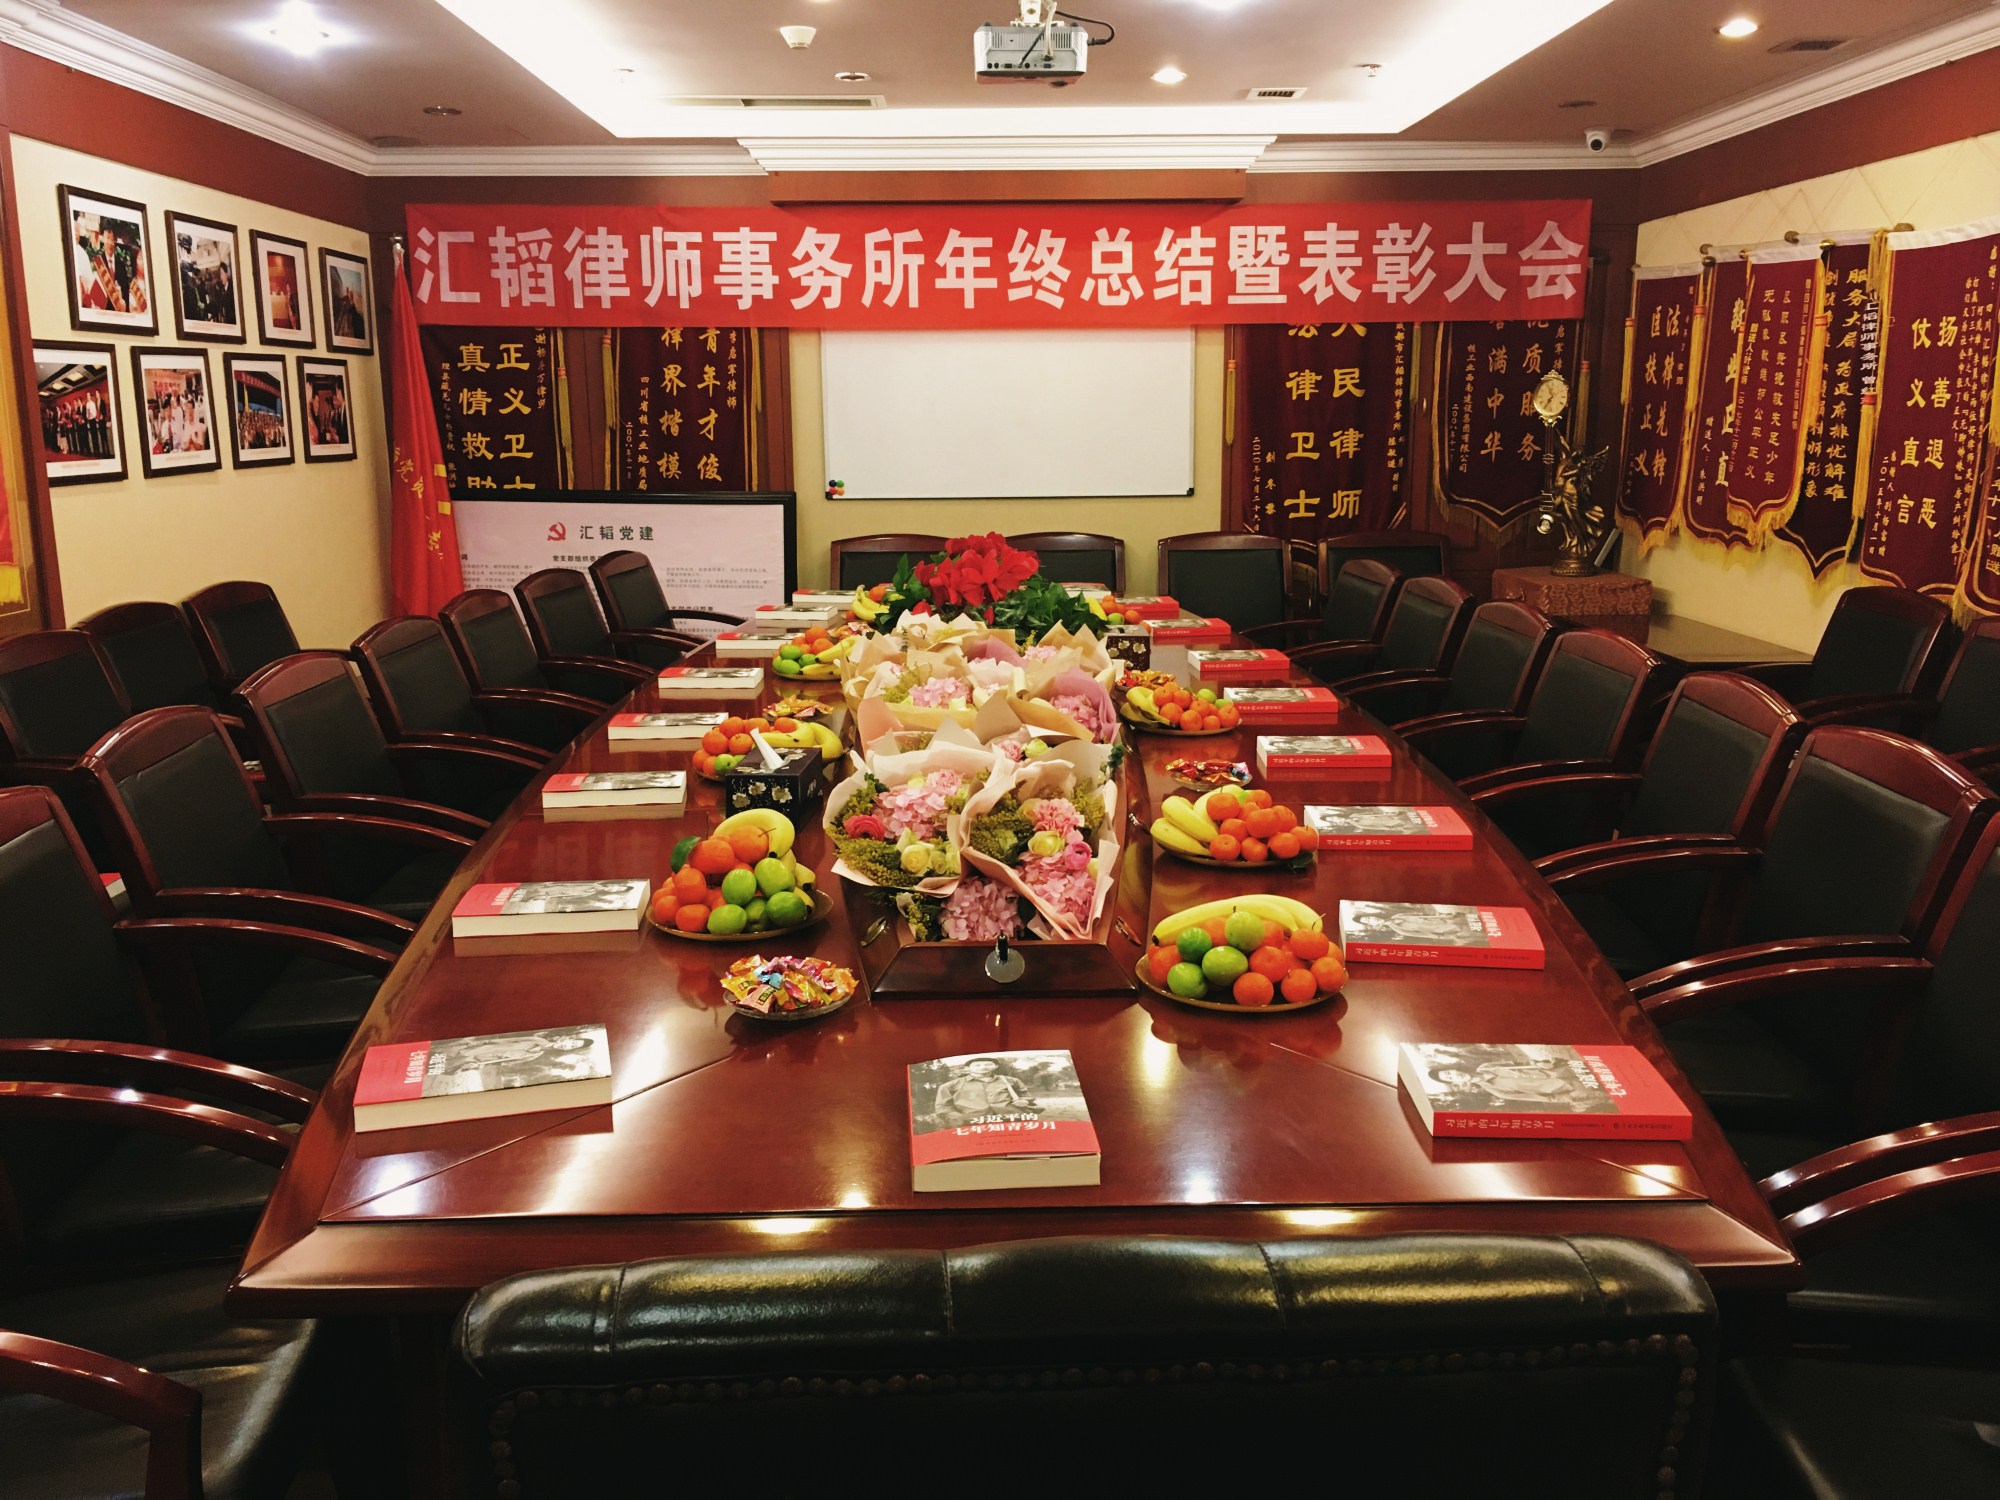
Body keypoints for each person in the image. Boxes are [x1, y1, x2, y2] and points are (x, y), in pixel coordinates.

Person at [928, 1057, 1042, 1126]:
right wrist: (962, 1119)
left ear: (995, 1066)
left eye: (988, 1064)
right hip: (973, 1123)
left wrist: (1025, 1101)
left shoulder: (1011, 1080)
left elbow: (1026, 1095)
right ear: (967, 1068)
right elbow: (943, 1108)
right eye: (977, 1065)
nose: (983, 1067)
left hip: (1012, 1120)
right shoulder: (950, 1086)